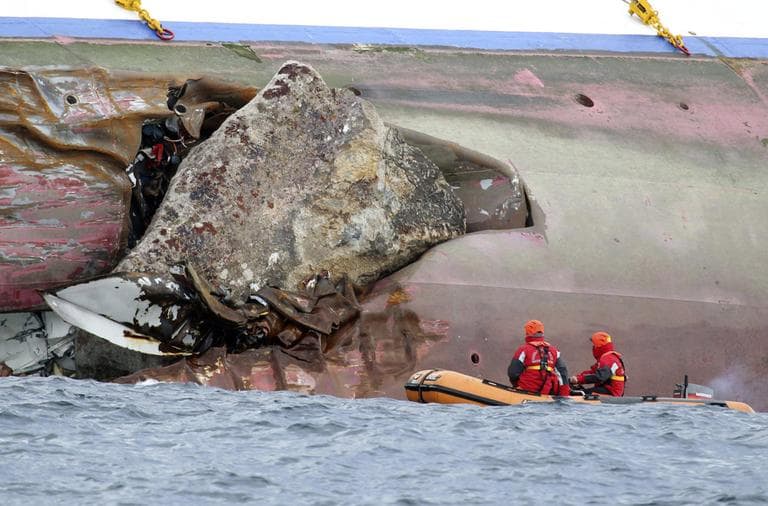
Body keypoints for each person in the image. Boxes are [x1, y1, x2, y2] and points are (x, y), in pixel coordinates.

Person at [507, 320, 570, 396]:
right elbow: (563, 373)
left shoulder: (523, 350)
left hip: (526, 391)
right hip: (547, 393)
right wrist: (564, 396)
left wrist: (517, 387)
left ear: (527, 333)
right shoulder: (555, 351)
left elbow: (513, 373)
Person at [569, 331, 626, 396]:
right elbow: (593, 372)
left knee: (577, 393)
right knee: (579, 391)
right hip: (608, 390)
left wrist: (578, 379)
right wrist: (577, 378)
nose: (593, 347)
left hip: (611, 393)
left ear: (598, 346)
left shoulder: (608, 359)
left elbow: (600, 377)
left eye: (594, 345)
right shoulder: (609, 357)